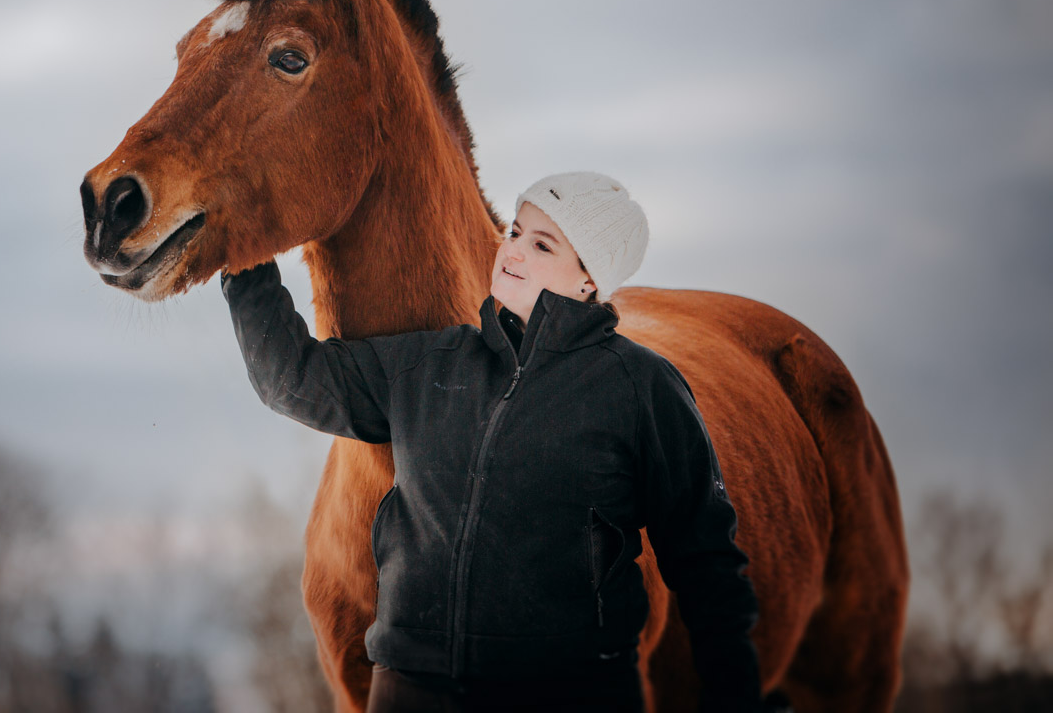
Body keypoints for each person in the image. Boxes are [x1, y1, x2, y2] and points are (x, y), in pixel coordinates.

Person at [219, 171, 762, 712]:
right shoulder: (430, 363)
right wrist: (240, 251)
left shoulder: (640, 386)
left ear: (589, 281)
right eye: (515, 232)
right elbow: (291, 380)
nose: (514, 251)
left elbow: (706, 562)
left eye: (542, 243)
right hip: (411, 689)